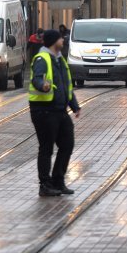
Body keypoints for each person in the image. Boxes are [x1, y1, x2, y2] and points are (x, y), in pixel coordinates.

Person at [30, 29, 81, 197]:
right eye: (61, 38)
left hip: (60, 110)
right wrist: (42, 85)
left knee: (67, 144)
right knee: (46, 148)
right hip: (44, 111)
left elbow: (66, 85)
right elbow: (37, 78)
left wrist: (74, 105)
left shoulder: (60, 60)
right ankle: (45, 185)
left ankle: (58, 180)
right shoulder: (42, 59)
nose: (63, 41)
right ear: (54, 41)